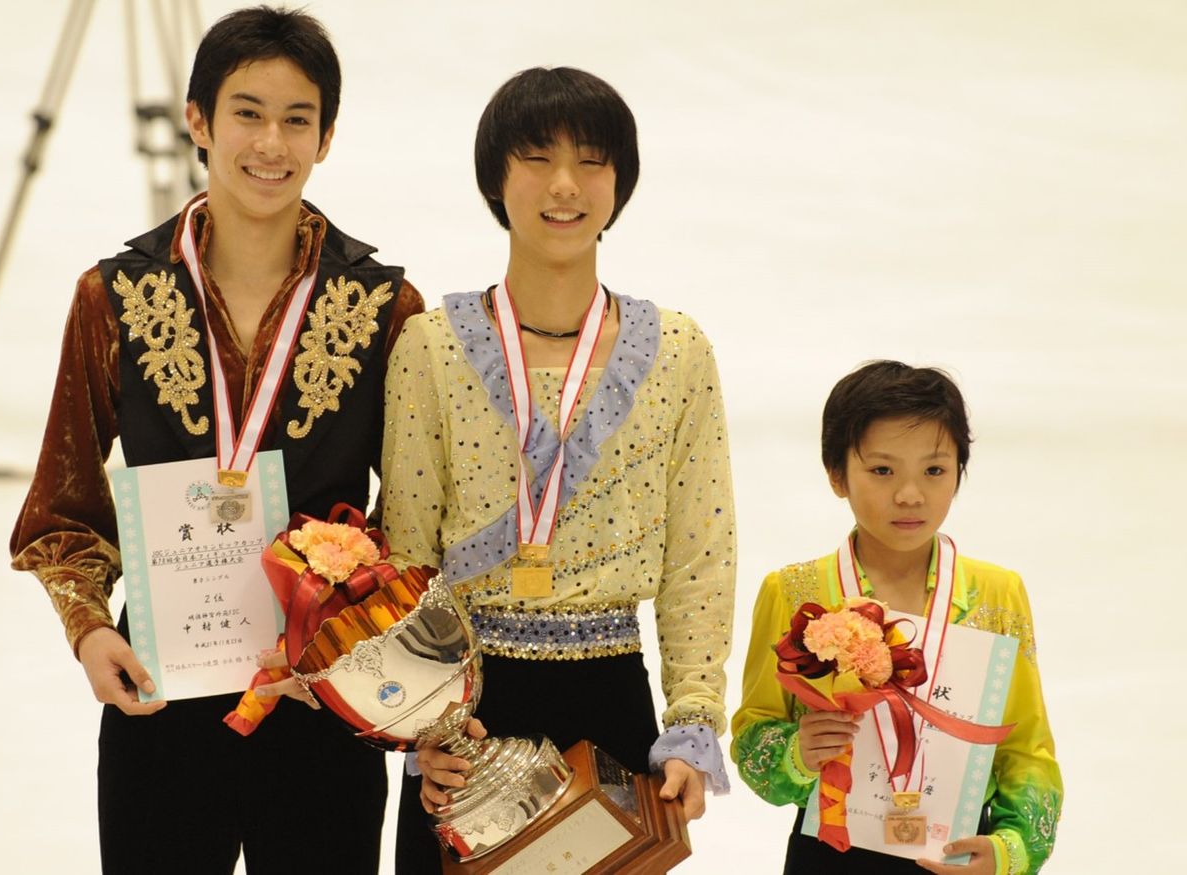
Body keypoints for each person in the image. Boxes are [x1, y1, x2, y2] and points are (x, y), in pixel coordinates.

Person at [9, 7, 422, 873]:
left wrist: (360, 607)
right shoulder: (114, 297)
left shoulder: (385, 308)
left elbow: (420, 514)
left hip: (321, 701)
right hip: (159, 700)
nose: (270, 143)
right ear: (198, 120)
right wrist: (91, 633)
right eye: (246, 112)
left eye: (296, 119)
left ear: (327, 136)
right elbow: (63, 508)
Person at [380, 66, 737, 871]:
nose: (565, 185)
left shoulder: (677, 352)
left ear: (622, 182)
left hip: (612, 702)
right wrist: (422, 730)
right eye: (538, 157)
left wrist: (690, 723)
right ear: (495, 178)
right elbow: (405, 555)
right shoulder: (431, 348)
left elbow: (699, 558)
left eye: (593, 161)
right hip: (465, 717)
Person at [731, 361, 1062, 874]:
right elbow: (753, 732)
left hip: (956, 854)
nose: (910, 495)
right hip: (832, 850)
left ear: (959, 472)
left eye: (934, 470)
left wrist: (1010, 850)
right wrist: (797, 751)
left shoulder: (997, 594)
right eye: (883, 470)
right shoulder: (795, 592)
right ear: (837, 475)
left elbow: (1026, 748)